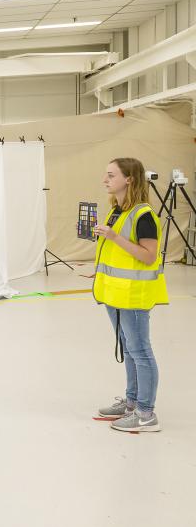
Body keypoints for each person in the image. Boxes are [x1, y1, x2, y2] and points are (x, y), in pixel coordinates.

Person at [92, 158, 168, 433]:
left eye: (111, 175)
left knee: (141, 351)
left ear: (129, 180)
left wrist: (113, 237)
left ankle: (146, 414)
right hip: (115, 293)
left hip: (134, 295)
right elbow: (116, 254)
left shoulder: (144, 215)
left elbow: (148, 257)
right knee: (130, 349)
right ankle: (132, 403)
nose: (105, 180)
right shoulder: (117, 211)